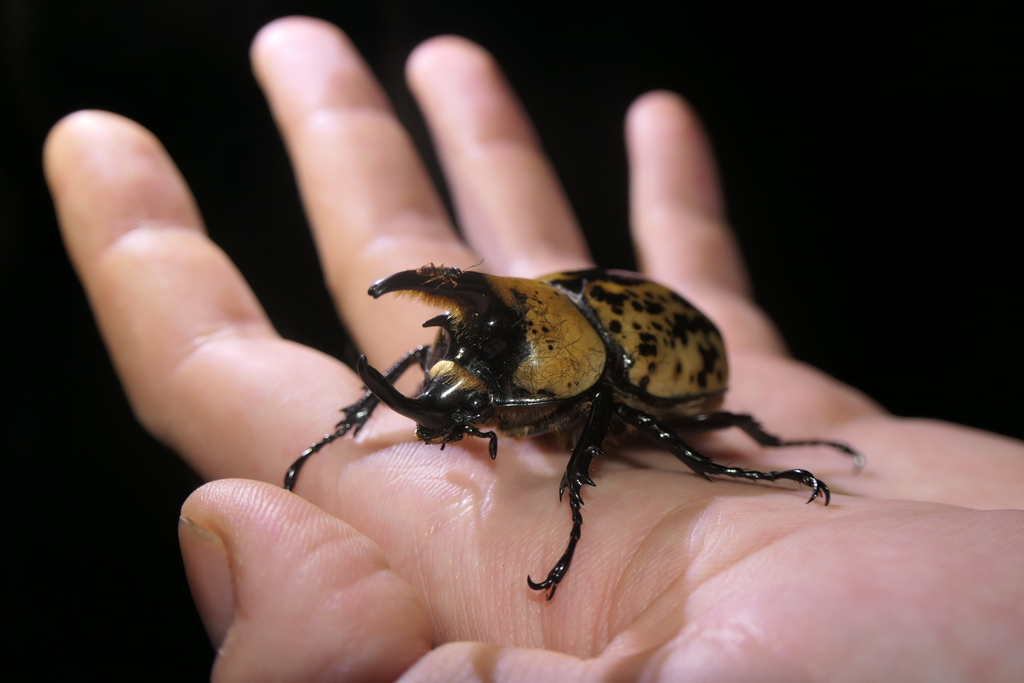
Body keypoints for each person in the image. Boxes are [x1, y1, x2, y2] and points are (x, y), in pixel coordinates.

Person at [45, 16, 1023, 682]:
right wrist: (370, 417)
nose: (454, 397)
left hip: (662, 362)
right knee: (437, 376)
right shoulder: (508, 340)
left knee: (663, 427)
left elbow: (683, 422)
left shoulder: (598, 373)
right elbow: (441, 377)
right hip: (581, 326)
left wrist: (750, 468)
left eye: (483, 381)